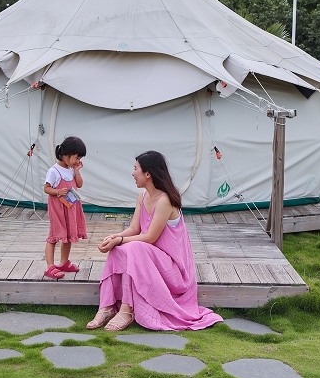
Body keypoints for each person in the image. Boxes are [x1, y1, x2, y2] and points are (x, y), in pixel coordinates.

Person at [87, 150, 223, 331]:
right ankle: (106, 307)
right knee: (119, 248)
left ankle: (127, 310)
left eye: (135, 169)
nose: (132, 173)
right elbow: (134, 229)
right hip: (152, 258)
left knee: (132, 247)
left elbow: (150, 237)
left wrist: (121, 239)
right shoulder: (142, 196)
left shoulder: (165, 200)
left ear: (148, 174)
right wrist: (115, 238)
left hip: (173, 268)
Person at [43, 136, 88, 279]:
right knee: (54, 236)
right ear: (66, 154)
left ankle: (63, 262)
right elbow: (46, 188)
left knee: (68, 236)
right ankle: (50, 266)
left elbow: (79, 185)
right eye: (76, 157)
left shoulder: (71, 170)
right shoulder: (54, 171)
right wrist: (57, 192)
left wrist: (77, 171)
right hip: (58, 210)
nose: (77, 161)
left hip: (71, 208)